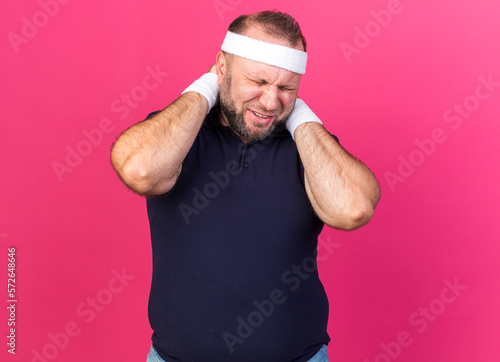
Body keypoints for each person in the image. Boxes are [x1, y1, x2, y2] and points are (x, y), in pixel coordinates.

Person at [111, 10, 380, 362]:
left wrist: (299, 116)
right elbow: (141, 171)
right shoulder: (178, 134)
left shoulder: (309, 147)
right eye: (258, 82)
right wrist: (206, 89)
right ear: (222, 67)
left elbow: (353, 208)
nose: (270, 102)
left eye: (286, 87)